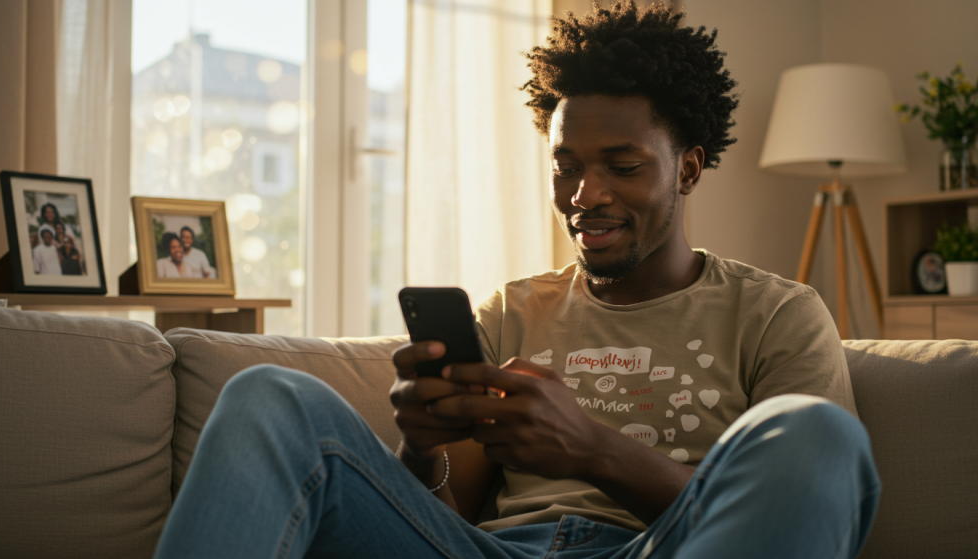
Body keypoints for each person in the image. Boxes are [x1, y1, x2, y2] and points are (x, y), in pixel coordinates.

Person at [154, 3, 880, 558]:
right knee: (268, 394)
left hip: (665, 545)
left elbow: (805, 504)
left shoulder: (777, 313)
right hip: (490, 549)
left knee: (817, 433)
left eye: (622, 166)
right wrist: (422, 444)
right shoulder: (512, 309)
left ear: (687, 168)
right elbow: (449, 510)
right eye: (566, 164)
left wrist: (593, 447)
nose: (583, 194)